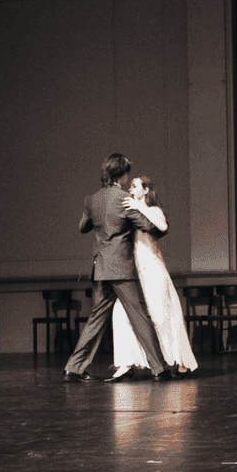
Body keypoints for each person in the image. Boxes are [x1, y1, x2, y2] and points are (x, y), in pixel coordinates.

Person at [63, 153, 172, 382]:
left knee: (95, 319)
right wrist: (146, 214)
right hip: (121, 268)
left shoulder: (91, 200)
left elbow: (83, 227)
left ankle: (73, 367)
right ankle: (159, 368)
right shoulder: (123, 199)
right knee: (140, 316)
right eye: (126, 173)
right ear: (122, 175)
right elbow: (152, 227)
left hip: (101, 268)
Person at [108, 176, 198, 378]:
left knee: (160, 316)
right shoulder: (130, 212)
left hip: (153, 270)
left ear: (145, 190)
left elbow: (162, 226)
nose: (130, 188)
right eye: (129, 185)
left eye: (134, 185)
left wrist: (140, 206)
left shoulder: (153, 210)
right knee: (120, 314)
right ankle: (125, 364)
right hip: (134, 272)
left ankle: (172, 361)